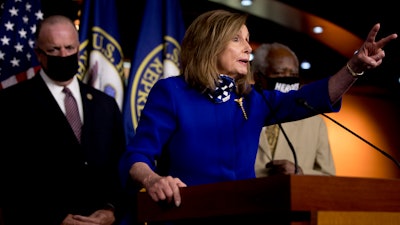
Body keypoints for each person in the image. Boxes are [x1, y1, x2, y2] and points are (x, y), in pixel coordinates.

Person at [118, 9, 397, 209]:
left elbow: (314, 97)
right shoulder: (171, 93)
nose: (248, 48)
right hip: (188, 214)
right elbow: (137, 155)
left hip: (245, 216)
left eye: (248, 39)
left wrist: (354, 67)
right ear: (209, 45)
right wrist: (154, 179)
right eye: (237, 39)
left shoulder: (253, 99)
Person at [0, 15, 128, 225]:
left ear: (78, 48)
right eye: (54, 50)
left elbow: (119, 169)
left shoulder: (105, 105)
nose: (63, 54)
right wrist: (53, 218)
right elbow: (9, 178)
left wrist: (112, 210)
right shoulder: (11, 103)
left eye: (69, 47)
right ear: (39, 54)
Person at [252, 42, 336, 176]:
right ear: (258, 77)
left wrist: (300, 173)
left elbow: (328, 176)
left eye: (293, 73)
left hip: (295, 195)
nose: (287, 78)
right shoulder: (240, 111)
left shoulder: (314, 122)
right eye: (279, 73)